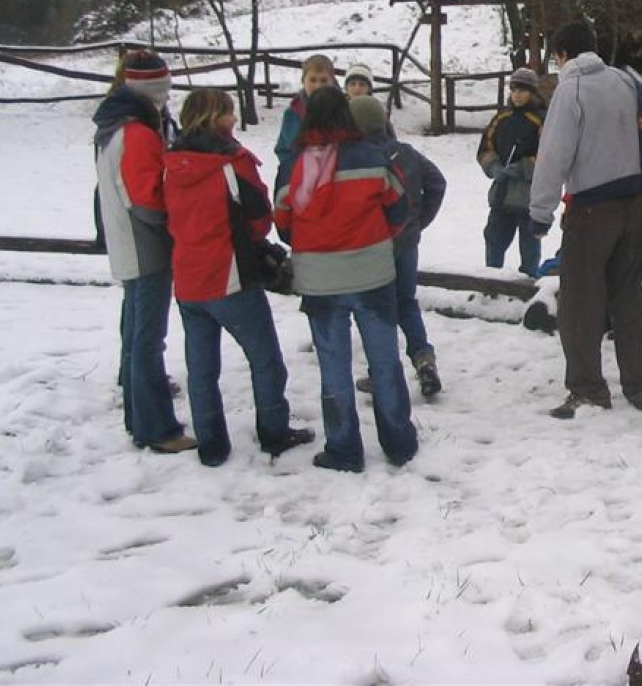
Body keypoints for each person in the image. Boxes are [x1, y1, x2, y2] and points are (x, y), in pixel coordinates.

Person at [165, 89, 314, 466]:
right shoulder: (232, 164)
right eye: (229, 113)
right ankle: (274, 432)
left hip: (187, 278)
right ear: (215, 118)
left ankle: (212, 445)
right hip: (227, 275)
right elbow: (259, 218)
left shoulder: (171, 162)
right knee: (265, 360)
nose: (234, 120)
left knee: (201, 369)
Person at [275, 86, 417, 472]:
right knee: (384, 361)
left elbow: (283, 223)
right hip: (372, 273)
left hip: (319, 279)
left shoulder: (292, 165)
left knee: (333, 367)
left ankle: (343, 448)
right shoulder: (372, 156)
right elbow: (400, 207)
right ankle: (399, 441)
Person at [528, 22, 642, 419]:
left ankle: (587, 388)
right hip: (632, 200)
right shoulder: (623, 80)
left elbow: (554, 154)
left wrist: (540, 211)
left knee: (581, 304)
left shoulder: (571, 90)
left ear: (562, 53)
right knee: (627, 298)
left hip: (591, 207)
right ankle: (640, 386)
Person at [92, 50, 195, 453]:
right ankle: (157, 427)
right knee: (148, 339)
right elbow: (147, 199)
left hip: (127, 240)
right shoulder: (137, 133)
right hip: (144, 245)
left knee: (137, 336)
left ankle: (140, 419)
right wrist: (177, 221)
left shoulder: (113, 126)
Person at [349, 95, 448, 399]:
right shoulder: (406, 153)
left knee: (376, 309)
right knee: (405, 302)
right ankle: (424, 359)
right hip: (406, 241)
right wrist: (418, 221)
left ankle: (380, 372)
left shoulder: (354, 158)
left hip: (371, 246)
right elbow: (437, 182)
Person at [476, 68, 545, 277]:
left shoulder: (543, 119)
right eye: (514, 89)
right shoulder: (501, 118)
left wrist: (523, 167)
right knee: (494, 243)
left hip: (529, 197)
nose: (517, 94)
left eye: (523, 90)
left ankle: (529, 290)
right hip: (501, 195)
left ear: (532, 93)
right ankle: (490, 287)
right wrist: (493, 166)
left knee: (530, 252)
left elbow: (550, 155)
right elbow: (484, 148)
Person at [274, 54, 335, 198]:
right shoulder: (293, 113)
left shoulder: (343, 109)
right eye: (313, 80)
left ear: (332, 81)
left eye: (324, 80)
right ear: (303, 81)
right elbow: (283, 149)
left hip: (335, 181)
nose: (318, 86)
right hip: (302, 181)